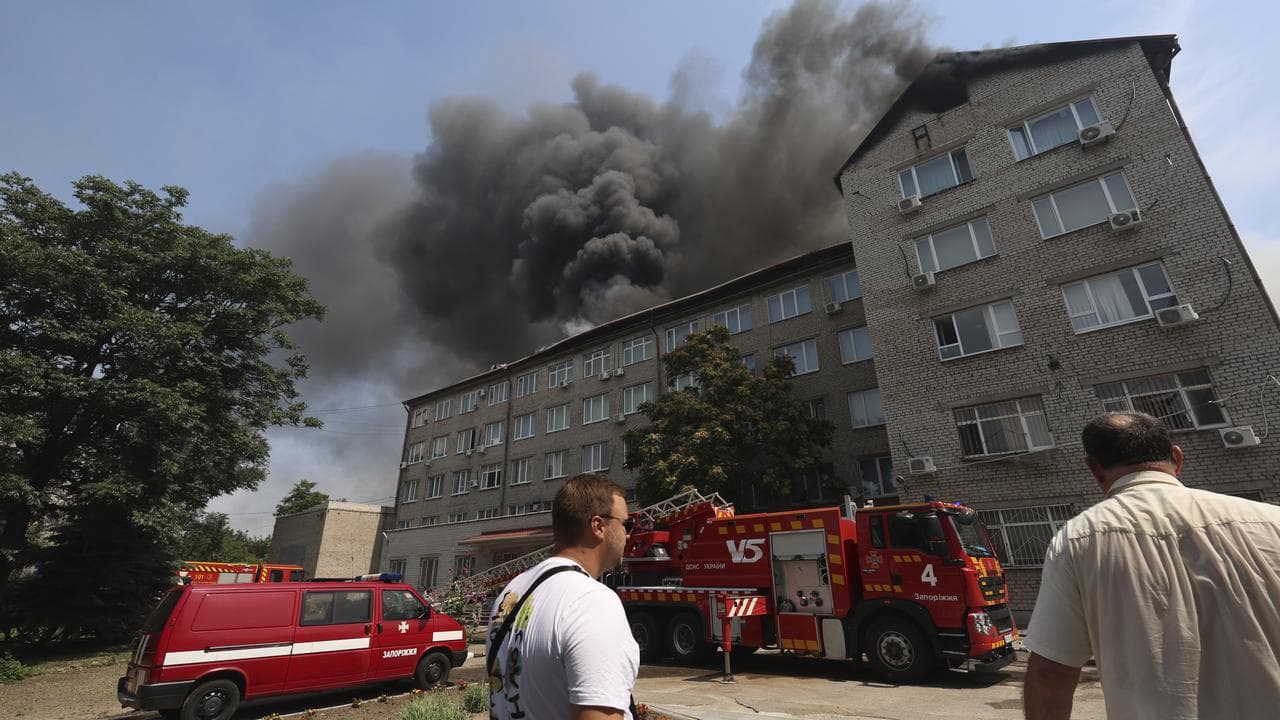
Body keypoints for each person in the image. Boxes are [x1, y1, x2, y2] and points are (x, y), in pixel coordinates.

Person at [1023, 411, 1280, 720]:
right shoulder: (1271, 521)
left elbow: (1049, 675)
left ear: (1093, 469)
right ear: (1176, 457)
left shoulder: (1080, 539)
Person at [487, 473, 639, 720]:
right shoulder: (592, 602)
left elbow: (499, 701)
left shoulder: (511, 593)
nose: (629, 534)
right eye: (627, 524)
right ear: (598, 526)